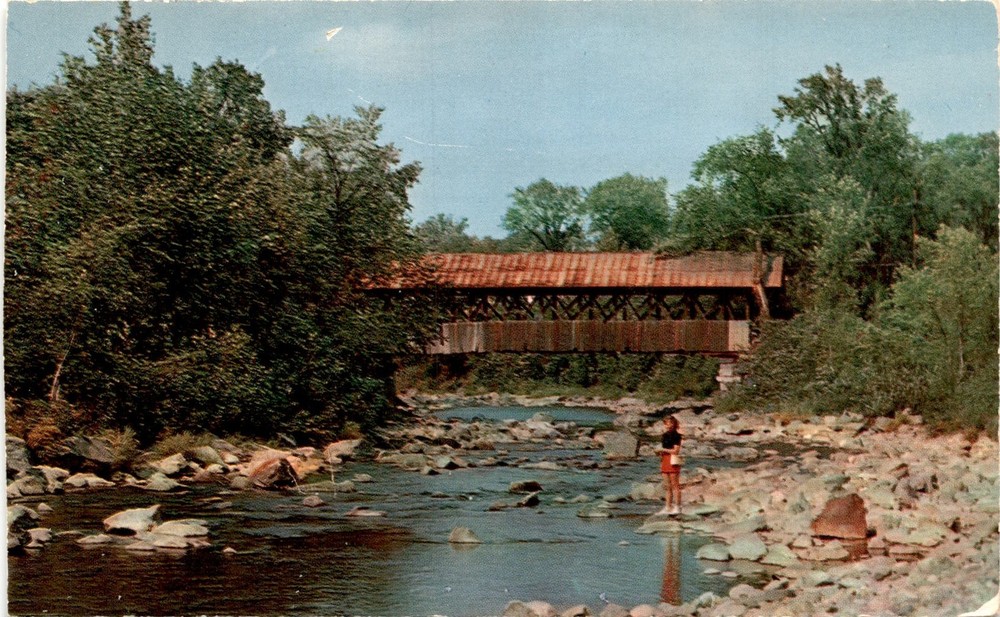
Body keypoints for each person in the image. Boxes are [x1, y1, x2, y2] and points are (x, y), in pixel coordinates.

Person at [656, 415, 682, 515]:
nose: (668, 425)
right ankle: (667, 507)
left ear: (674, 424)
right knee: (667, 486)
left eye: (670, 423)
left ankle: (677, 507)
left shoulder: (677, 436)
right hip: (665, 460)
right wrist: (659, 453)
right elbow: (665, 449)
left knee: (675, 485)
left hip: (673, 460)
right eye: (666, 423)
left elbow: (676, 451)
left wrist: (663, 449)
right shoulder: (664, 435)